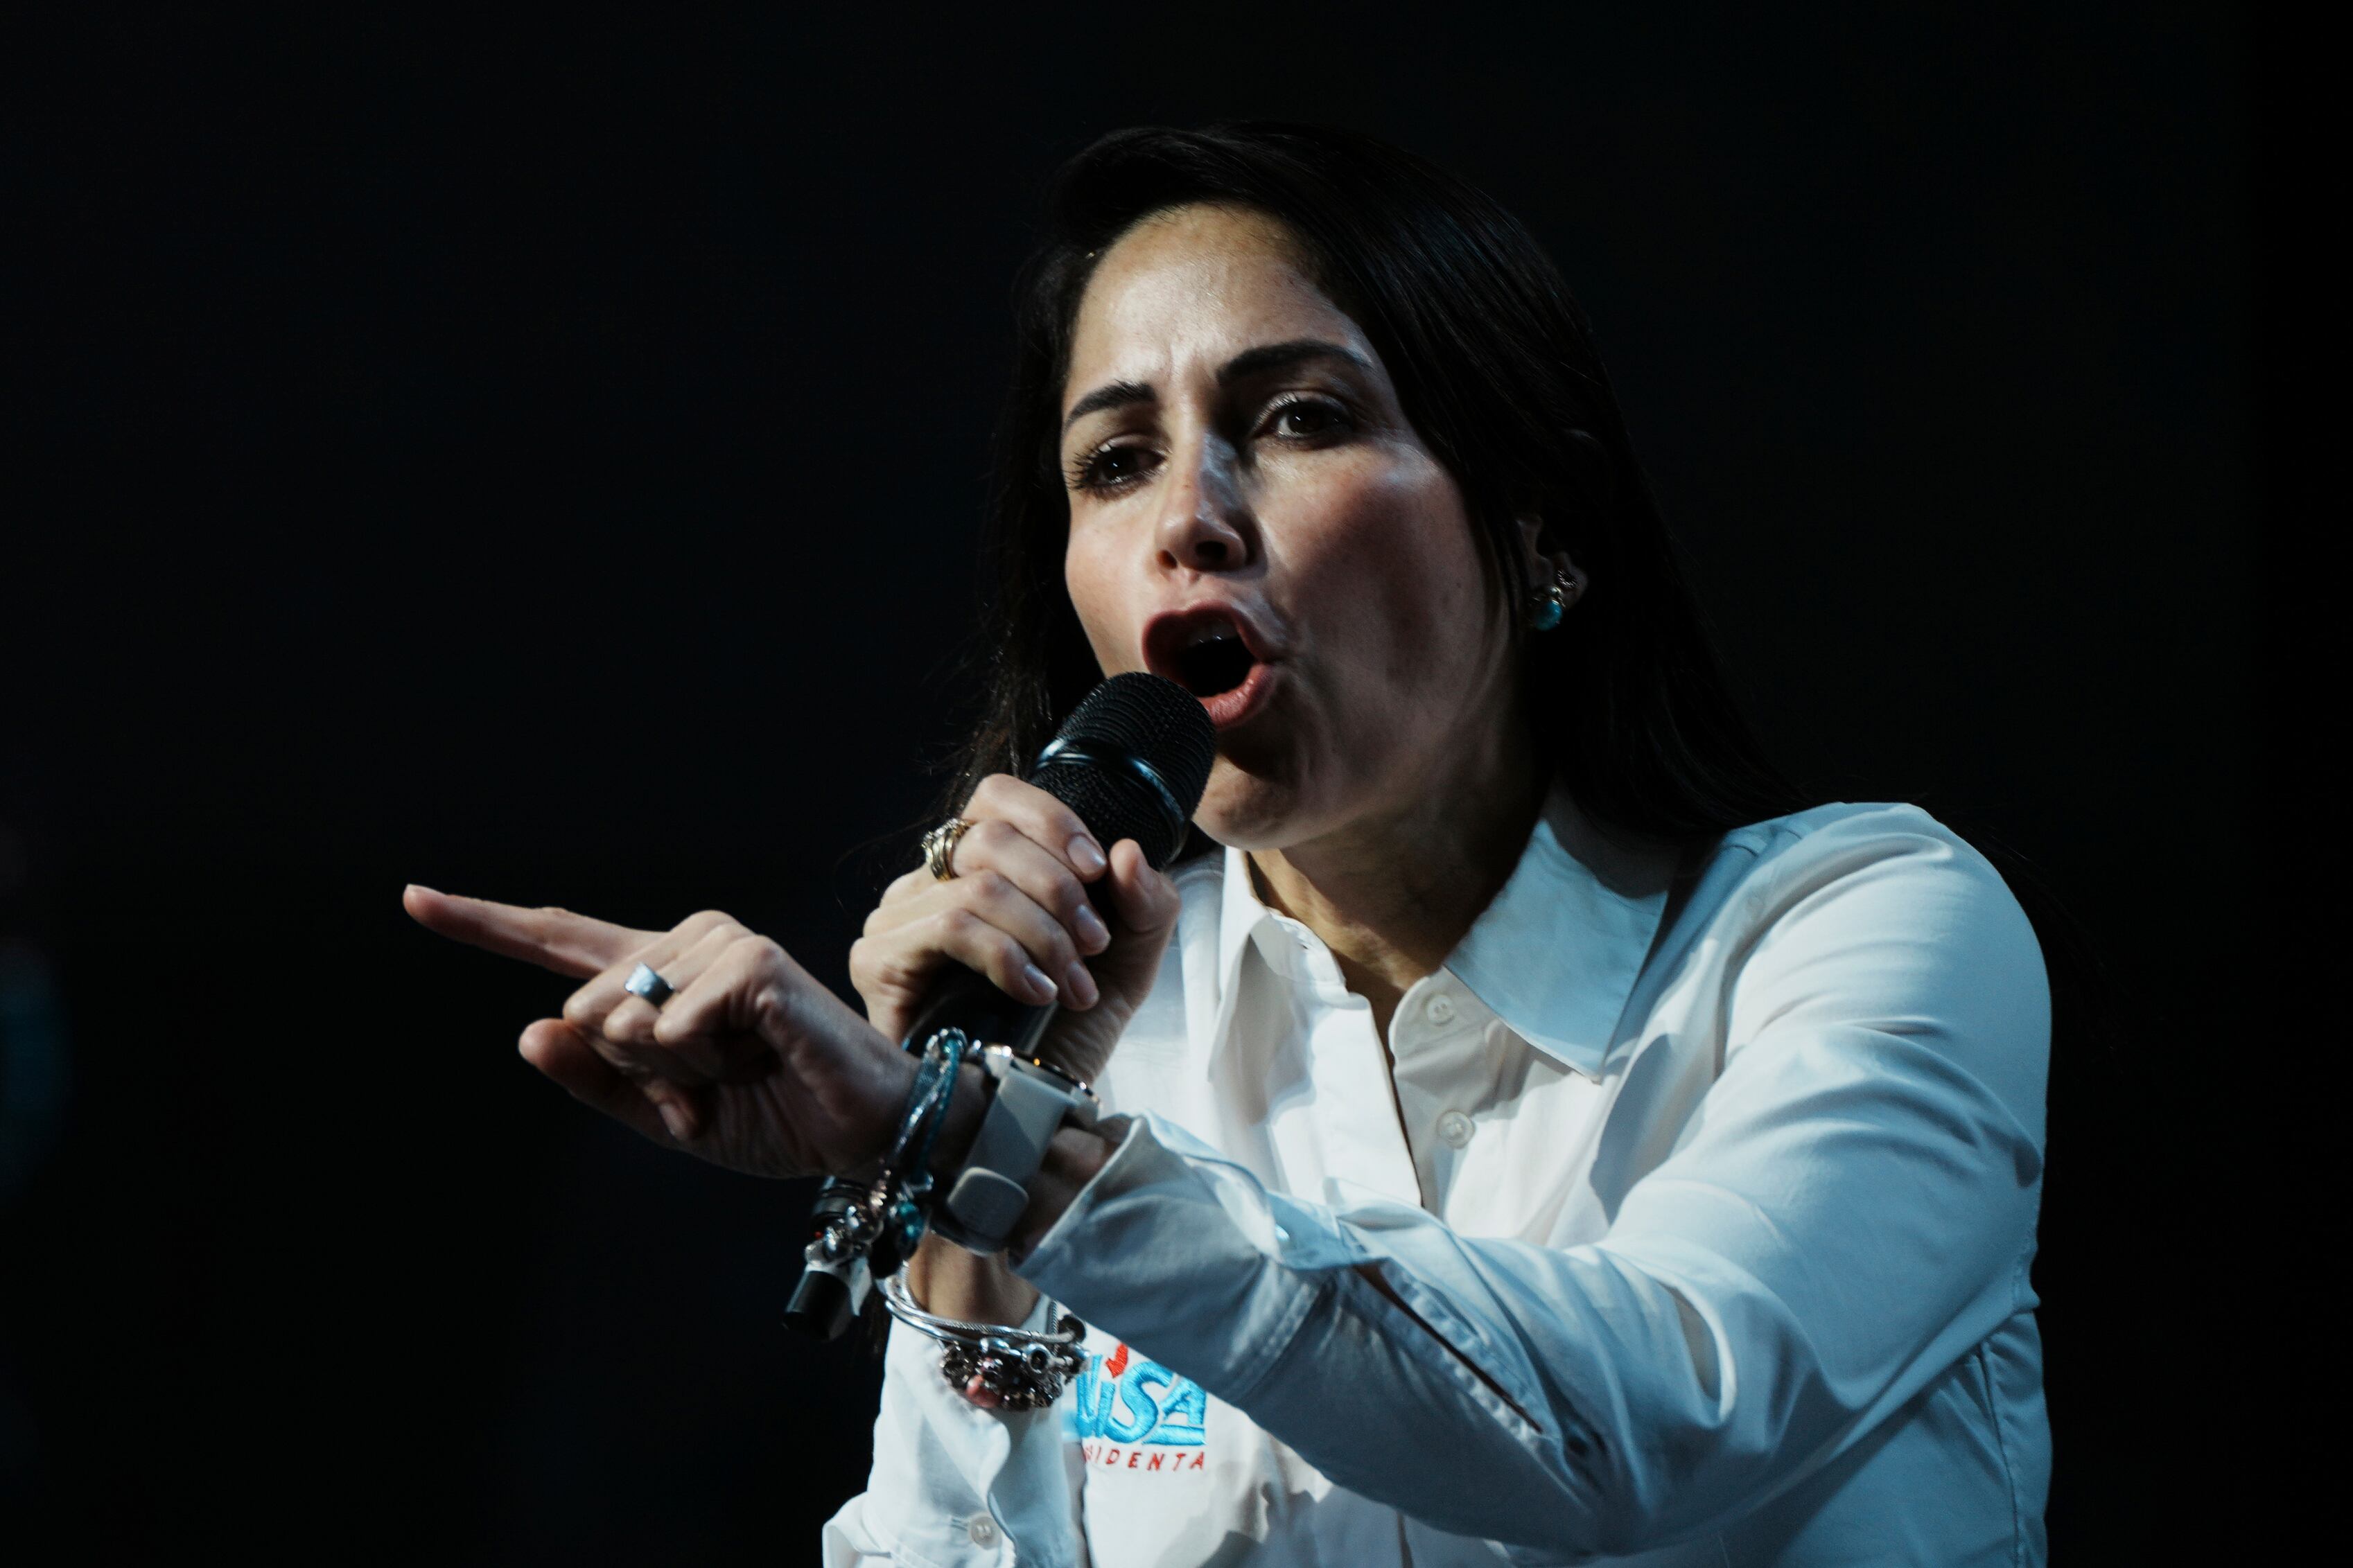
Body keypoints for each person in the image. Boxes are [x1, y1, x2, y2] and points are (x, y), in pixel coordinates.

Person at [407, 123, 2049, 1566]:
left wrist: (1003, 1159)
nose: (1186, 511)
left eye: (1298, 416)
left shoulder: (1857, 932)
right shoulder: (1092, 1047)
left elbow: (1642, 1425)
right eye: (1114, 460)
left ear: (1542, 523)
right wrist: (960, 1194)